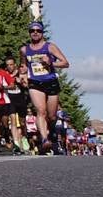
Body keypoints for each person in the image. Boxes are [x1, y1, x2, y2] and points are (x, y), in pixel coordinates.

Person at [22, 21, 69, 154]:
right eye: (32, 31)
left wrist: (51, 62)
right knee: (41, 111)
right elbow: (24, 65)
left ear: (42, 33)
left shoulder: (50, 47)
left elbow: (65, 63)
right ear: (29, 33)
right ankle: (44, 139)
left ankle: (52, 131)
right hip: (35, 83)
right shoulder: (25, 50)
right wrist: (23, 74)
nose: (35, 33)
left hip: (51, 82)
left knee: (52, 116)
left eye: (38, 30)